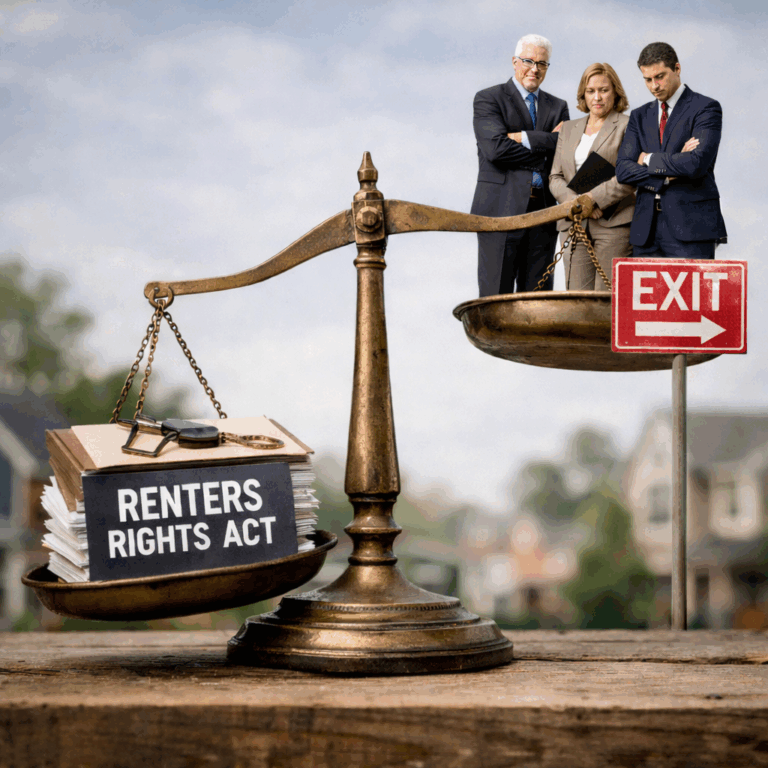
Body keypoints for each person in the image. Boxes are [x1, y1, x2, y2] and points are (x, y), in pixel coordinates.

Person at [471, 34, 569, 297]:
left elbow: (564, 154)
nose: (534, 69)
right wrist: (546, 146)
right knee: (495, 300)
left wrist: (525, 138)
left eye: (542, 64)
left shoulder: (558, 107)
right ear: (514, 62)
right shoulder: (488, 99)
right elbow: (496, 149)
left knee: (537, 302)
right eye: (528, 61)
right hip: (500, 210)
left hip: (544, 212)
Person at [616, 42, 727, 258]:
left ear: (677, 69)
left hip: (692, 227)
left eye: (660, 76)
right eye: (647, 79)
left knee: (690, 293)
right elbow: (623, 170)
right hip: (645, 231)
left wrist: (647, 159)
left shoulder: (705, 108)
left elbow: (695, 164)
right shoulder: (639, 116)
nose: (654, 86)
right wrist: (669, 174)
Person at [549, 63, 636, 290]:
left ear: (615, 91)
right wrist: (578, 204)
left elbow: (630, 175)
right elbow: (555, 177)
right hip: (573, 223)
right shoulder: (568, 129)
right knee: (577, 302)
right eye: (590, 91)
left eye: (604, 90)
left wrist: (593, 199)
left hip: (613, 225)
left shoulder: (629, 126)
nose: (597, 97)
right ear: (583, 94)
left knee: (607, 302)